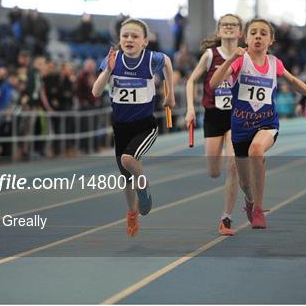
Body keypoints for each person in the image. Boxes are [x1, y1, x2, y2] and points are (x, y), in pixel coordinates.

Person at [210, 18, 306, 229]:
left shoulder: (275, 63)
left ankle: (258, 209)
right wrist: (229, 61)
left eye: (263, 33)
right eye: (253, 32)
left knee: (257, 150)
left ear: (271, 40)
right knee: (245, 184)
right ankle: (250, 200)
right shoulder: (240, 60)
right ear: (245, 38)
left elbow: (294, 82)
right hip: (240, 128)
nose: (258, 36)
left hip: (267, 123)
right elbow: (214, 83)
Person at [92, 18, 175, 237]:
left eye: (135, 36)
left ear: (145, 41)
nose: (129, 39)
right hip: (120, 127)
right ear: (119, 39)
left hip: (145, 126)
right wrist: (108, 71)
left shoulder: (150, 59)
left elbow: (167, 61)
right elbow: (96, 91)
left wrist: (170, 93)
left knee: (128, 160)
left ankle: (144, 188)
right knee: (126, 177)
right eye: (125, 35)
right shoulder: (112, 60)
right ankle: (131, 213)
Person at [185, 14, 242, 236]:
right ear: (218, 32)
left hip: (237, 117)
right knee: (214, 171)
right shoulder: (210, 55)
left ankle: (226, 218)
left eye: (233, 25)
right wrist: (190, 108)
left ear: (240, 32)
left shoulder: (245, 56)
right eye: (224, 25)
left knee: (233, 165)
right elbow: (191, 80)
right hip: (213, 116)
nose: (228, 28)